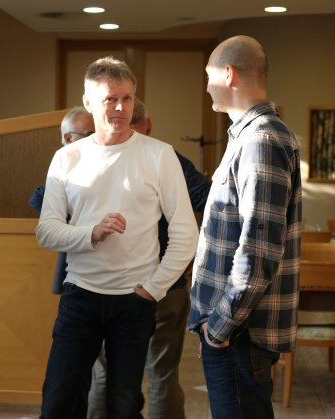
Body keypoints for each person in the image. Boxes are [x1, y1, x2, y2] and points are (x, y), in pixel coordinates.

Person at [36, 56, 199, 418]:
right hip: (80, 296)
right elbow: (46, 231)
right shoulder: (67, 158)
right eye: (110, 99)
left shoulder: (160, 155)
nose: (121, 108)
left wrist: (154, 288)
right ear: (89, 102)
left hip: (134, 301)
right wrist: (90, 233)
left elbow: (186, 233)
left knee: (124, 406)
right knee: (58, 401)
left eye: (127, 98)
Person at [187, 35, 302, 419]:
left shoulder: (261, 140)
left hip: (239, 334)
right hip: (234, 333)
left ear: (228, 74)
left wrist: (220, 325)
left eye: (208, 76)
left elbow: (259, 249)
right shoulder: (248, 137)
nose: (206, 86)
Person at [87, 97, 211, 419]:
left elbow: (46, 200)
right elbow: (210, 200)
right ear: (150, 124)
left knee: (105, 371)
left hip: (109, 281)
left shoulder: (94, 156)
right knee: (162, 372)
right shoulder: (168, 158)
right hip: (166, 282)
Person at [29, 106, 95, 293]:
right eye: (89, 134)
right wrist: (70, 221)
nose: (95, 139)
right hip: (73, 263)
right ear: (68, 138)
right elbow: (37, 197)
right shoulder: (63, 165)